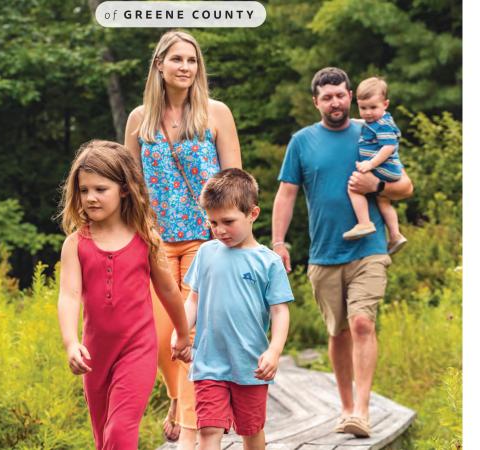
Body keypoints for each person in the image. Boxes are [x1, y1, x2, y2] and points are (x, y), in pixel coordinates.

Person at [272, 67, 413, 438]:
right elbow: (286, 195)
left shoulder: (370, 129)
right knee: (337, 333)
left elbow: (406, 186)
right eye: (327, 97)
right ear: (315, 101)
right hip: (324, 253)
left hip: (368, 248)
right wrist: (278, 243)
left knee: (363, 322)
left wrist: (376, 182)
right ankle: (346, 407)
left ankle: (362, 412)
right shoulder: (302, 142)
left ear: (350, 95)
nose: (335, 102)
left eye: (340, 95)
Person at [124, 30, 241, 447]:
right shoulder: (139, 119)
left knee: (191, 338)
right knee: (159, 338)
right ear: (159, 65)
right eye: (177, 59)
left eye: (192, 61)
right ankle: (176, 398)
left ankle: (191, 436)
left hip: (204, 243)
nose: (185, 67)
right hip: (153, 242)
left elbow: (235, 184)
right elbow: (130, 187)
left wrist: (239, 243)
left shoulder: (215, 113)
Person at [56, 140, 192, 450]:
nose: (90, 197)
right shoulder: (76, 244)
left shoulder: (146, 240)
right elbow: (69, 295)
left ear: (124, 189)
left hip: (137, 350)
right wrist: (70, 342)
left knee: (119, 431)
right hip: (95, 356)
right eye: (84, 190)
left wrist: (183, 334)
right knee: (103, 437)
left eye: (100, 189)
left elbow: (169, 291)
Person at [176, 168, 292, 450]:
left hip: (249, 365)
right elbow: (193, 299)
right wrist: (180, 334)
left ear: (252, 214)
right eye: (213, 222)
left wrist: (274, 350)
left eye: (228, 221)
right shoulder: (206, 252)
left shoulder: (268, 262)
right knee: (208, 429)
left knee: (251, 431)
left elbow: (280, 311)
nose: (220, 230)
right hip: (208, 362)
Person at [342, 77, 408, 254]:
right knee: (383, 201)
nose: (368, 113)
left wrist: (370, 164)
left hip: (383, 169)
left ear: (385, 104)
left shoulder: (384, 125)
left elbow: (388, 147)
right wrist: (356, 121)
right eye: (363, 108)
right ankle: (395, 235)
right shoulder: (379, 120)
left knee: (355, 188)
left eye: (373, 107)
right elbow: (368, 124)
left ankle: (364, 223)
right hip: (389, 170)